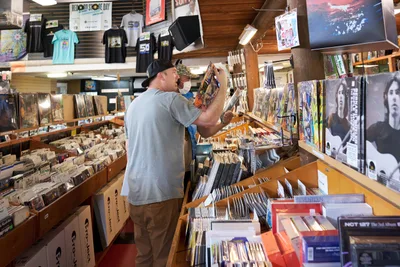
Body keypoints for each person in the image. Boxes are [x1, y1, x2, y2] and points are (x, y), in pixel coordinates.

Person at [122, 59, 227, 267]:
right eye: (173, 73)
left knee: (144, 255)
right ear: (161, 76)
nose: (177, 77)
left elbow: (128, 148)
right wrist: (223, 85)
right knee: (164, 257)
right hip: (161, 193)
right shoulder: (170, 99)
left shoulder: (133, 105)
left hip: (135, 193)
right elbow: (207, 119)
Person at [176, 63, 233, 189]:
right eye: (187, 78)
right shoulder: (174, 103)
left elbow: (205, 131)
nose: (189, 82)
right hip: (174, 171)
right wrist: (222, 85)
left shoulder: (191, 101)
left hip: (188, 164)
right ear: (177, 78)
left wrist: (223, 123)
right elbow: (209, 120)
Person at [367, 74, 400, 163]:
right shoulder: (377, 128)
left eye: (397, 93)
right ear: (386, 97)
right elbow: (359, 143)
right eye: (391, 93)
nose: (394, 98)